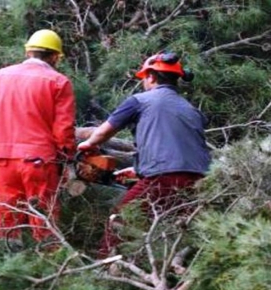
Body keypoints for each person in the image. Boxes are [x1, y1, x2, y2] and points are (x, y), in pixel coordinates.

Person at [77, 51, 211, 258]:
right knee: (183, 232)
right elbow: (178, 145)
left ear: (151, 76)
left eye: (145, 78)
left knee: (119, 220)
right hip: (200, 181)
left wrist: (85, 145)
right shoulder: (192, 109)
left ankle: (107, 269)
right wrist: (139, 169)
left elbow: (104, 132)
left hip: (162, 177)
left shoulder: (139, 101)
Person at [0, 29, 76, 247]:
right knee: (44, 224)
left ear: (28, 52)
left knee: (6, 223)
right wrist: (68, 156)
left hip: (2, 161)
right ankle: (50, 270)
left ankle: (8, 270)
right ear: (55, 56)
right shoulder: (58, 81)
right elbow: (63, 129)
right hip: (38, 161)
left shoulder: (1, 76)